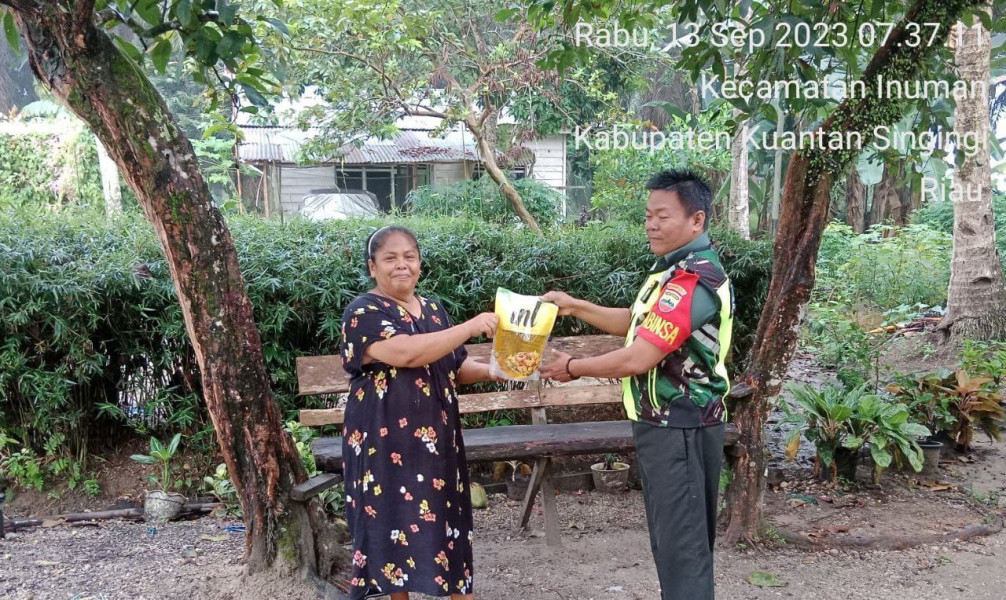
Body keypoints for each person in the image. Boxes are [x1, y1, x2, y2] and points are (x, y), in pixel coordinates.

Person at [540, 170, 734, 600]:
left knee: (682, 548)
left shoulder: (695, 279)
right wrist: (575, 306)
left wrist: (574, 367)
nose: (651, 224)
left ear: (696, 220)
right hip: (666, 424)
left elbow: (638, 356)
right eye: (648, 215)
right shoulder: (671, 273)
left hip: (682, 424)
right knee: (673, 541)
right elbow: (637, 323)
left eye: (662, 216)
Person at [340, 225, 498, 600]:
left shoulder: (433, 310)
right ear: (372, 267)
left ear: (420, 264)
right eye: (390, 258)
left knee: (449, 524)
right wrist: (471, 326)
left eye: (409, 257)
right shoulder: (363, 311)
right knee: (393, 523)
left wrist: (494, 369)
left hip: (437, 440)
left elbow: (455, 367)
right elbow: (406, 352)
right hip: (385, 442)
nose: (402, 266)